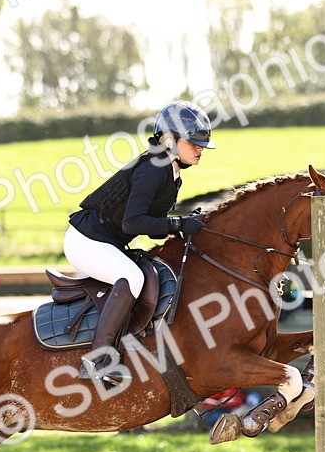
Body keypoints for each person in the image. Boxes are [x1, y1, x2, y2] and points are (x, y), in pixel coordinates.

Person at [64, 101, 215, 385]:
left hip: (104, 241)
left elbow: (151, 226)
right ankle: (99, 360)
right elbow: (132, 224)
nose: (200, 149)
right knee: (131, 276)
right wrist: (178, 224)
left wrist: (182, 224)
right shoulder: (154, 168)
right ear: (170, 140)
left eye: (202, 144)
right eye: (193, 142)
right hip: (86, 240)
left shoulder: (170, 172)